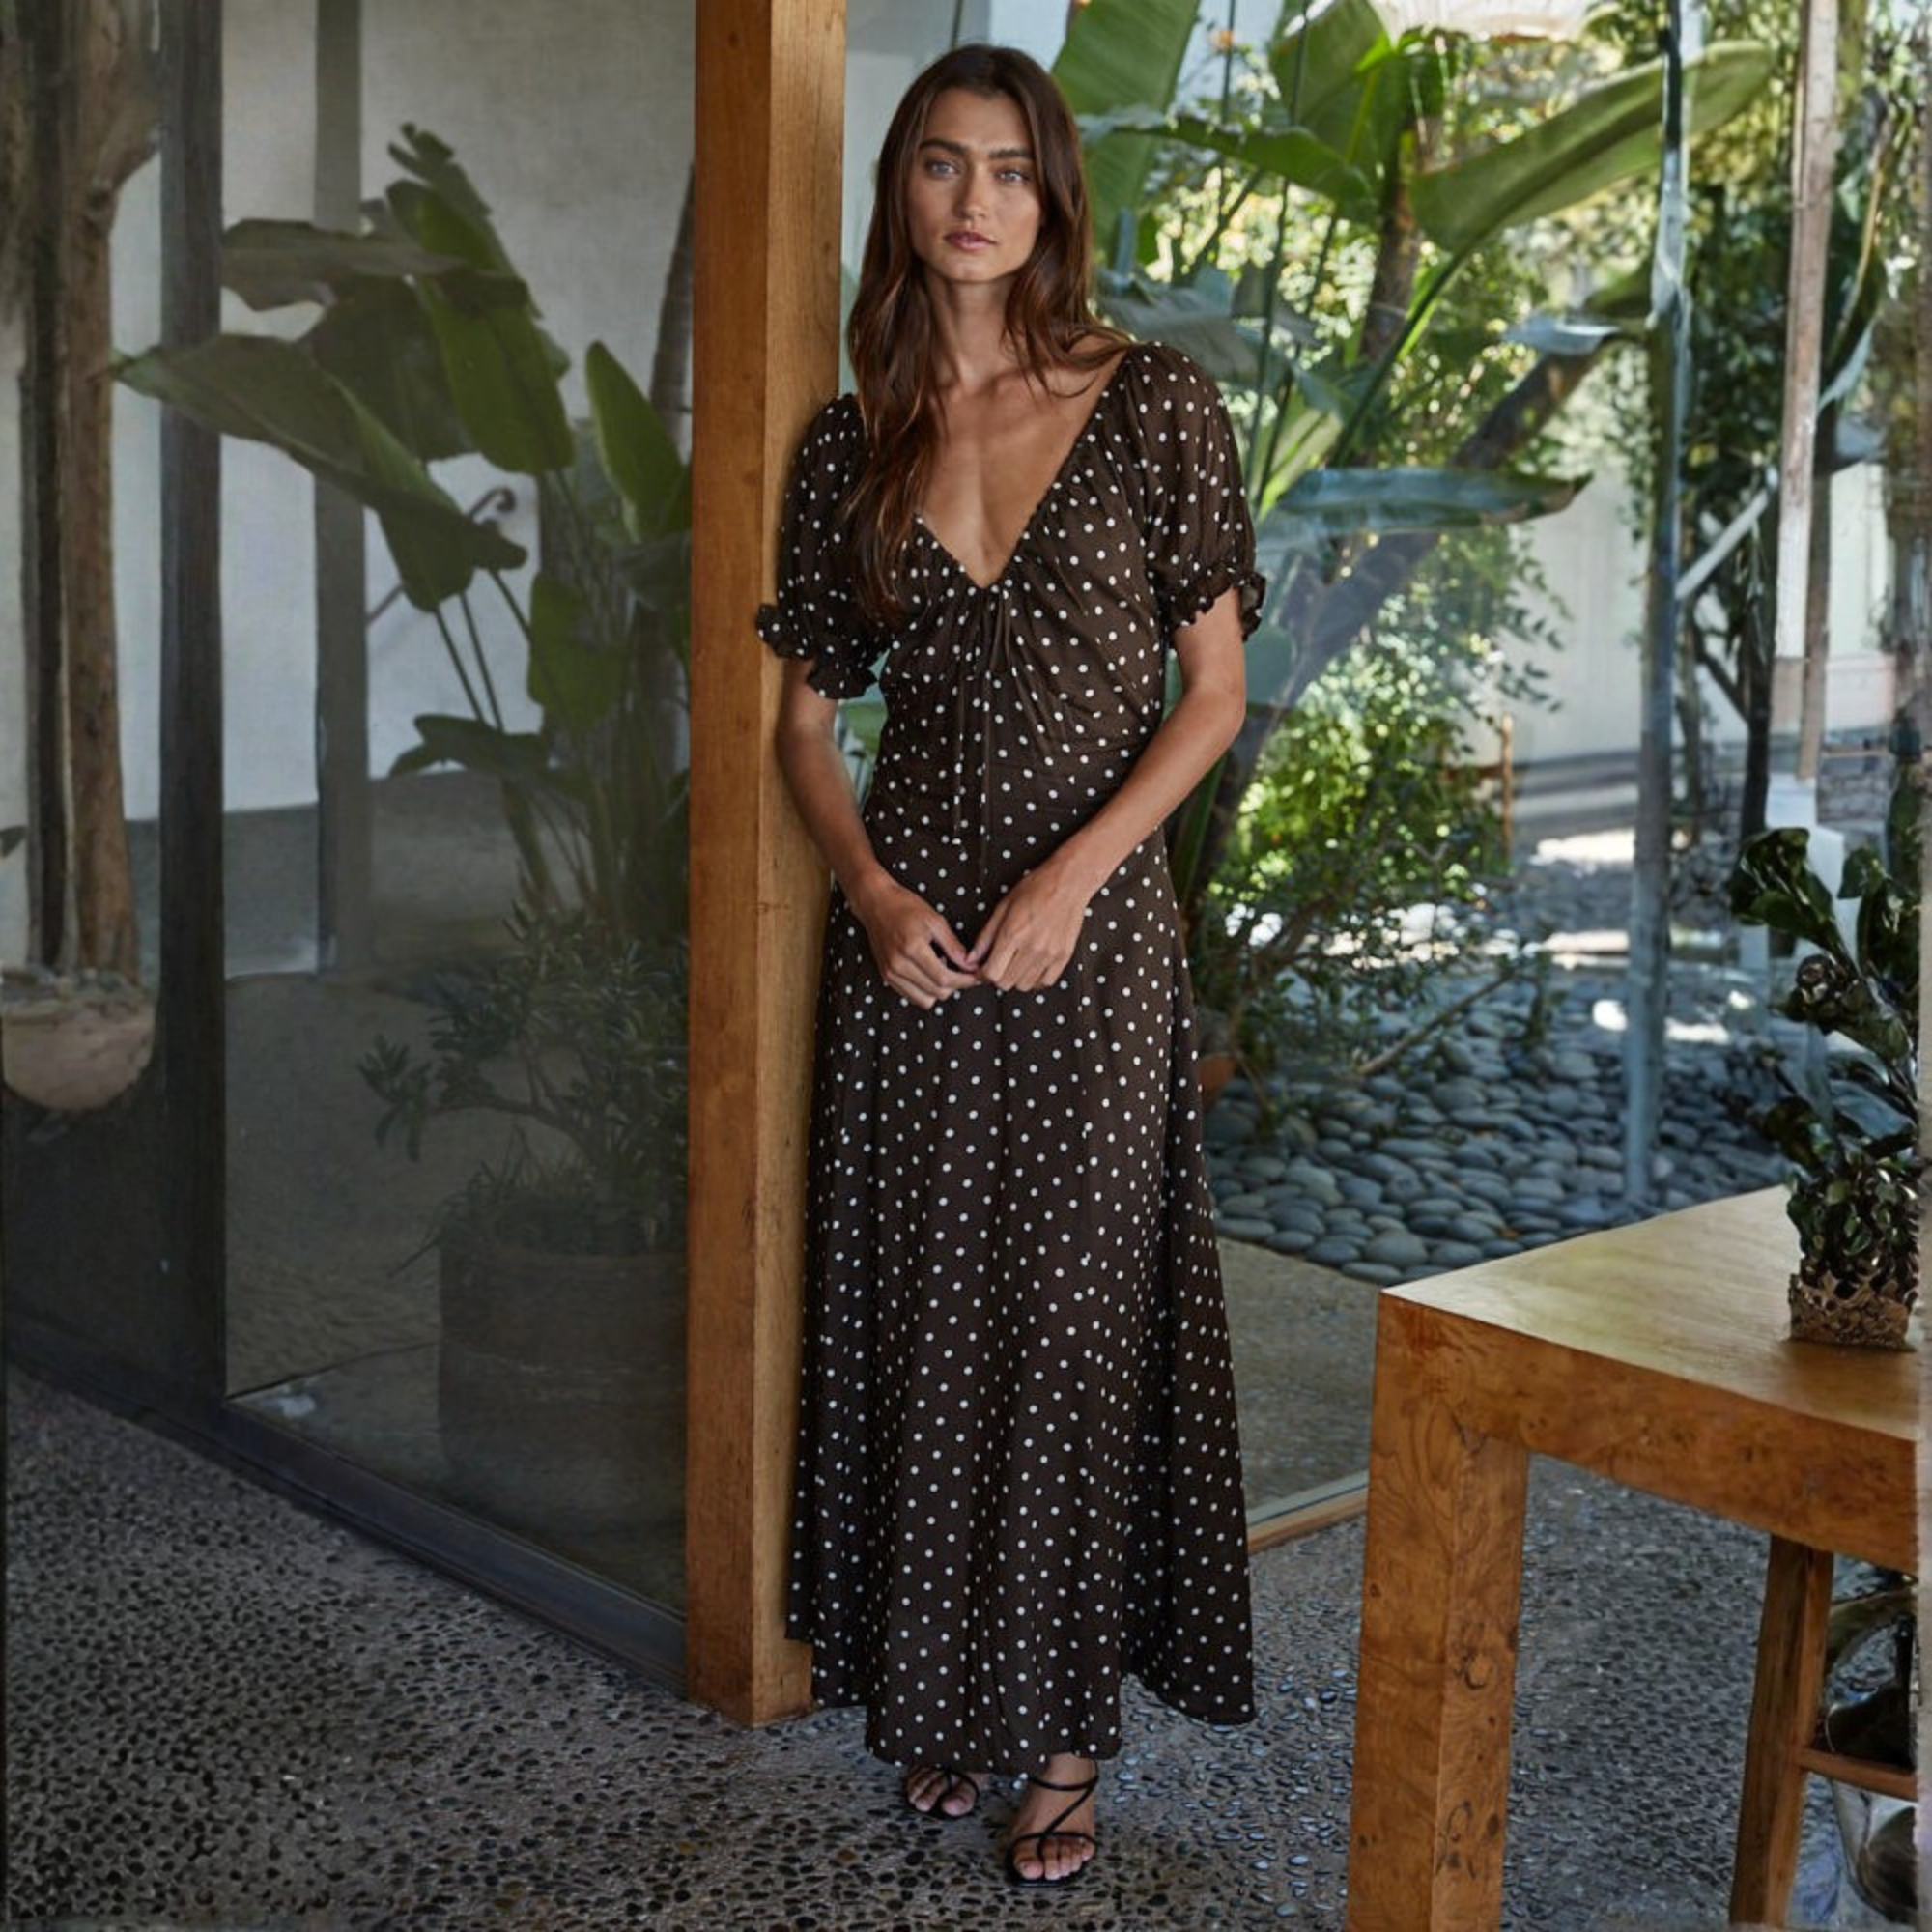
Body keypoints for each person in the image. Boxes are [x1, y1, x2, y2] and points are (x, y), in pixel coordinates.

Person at [755, 42, 1261, 1889]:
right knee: (920, 1309)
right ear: (904, 193)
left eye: (1012, 171)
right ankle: (945, 1693)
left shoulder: (1154, 407)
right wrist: (876, 897)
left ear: (1053, 198)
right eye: (943, 166)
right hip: (914, 949)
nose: (977, 201)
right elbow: (805, 728)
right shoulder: (853, 439)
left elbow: (1210, 701)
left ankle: (1060, 1734)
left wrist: (1071, 882)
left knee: (1063, 1328)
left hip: (1089, 940)